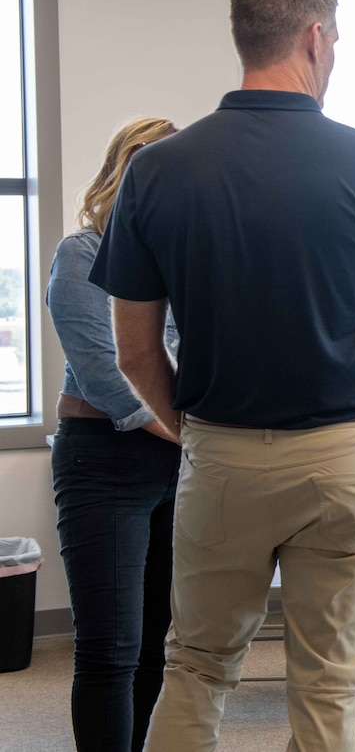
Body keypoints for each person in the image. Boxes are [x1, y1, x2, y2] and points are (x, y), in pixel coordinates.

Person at [88, 0, 355, 752]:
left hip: (219, 455)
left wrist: (199, 434)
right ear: (315, 38)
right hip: (342, 461)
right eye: (335, 40)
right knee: (329, 683)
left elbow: (134, 351)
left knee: (196, 667)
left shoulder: (155, 171)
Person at [46, 117, 181, 752]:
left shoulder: (178, 262)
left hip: (174, 462)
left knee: (156, 642)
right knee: (110, 647)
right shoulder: (82, 252)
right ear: (121, 175)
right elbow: (105, 373)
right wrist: (187, 434)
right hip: (104, 460)